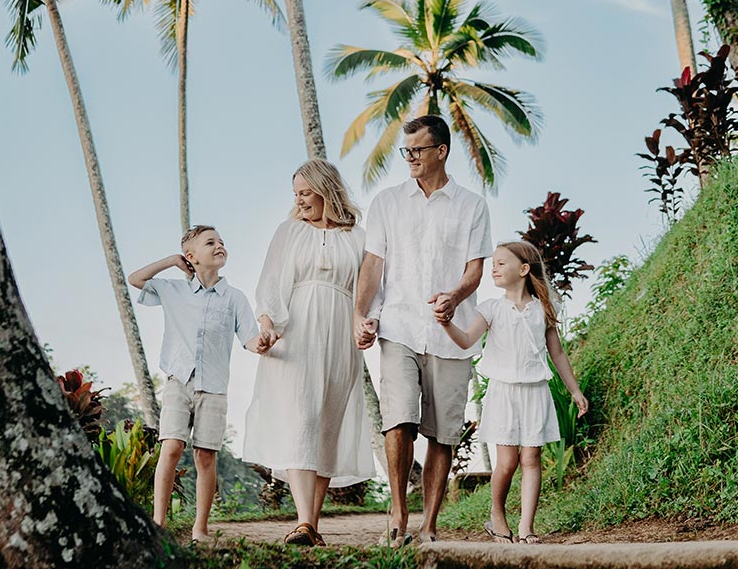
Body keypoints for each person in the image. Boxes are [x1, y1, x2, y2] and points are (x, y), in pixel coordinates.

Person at [354, 114, 491, 546]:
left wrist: (453, 296)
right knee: (399, 420)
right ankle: (398, 514)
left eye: (417, 150)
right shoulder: (387, 202)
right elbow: (373, 265)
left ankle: (430, 525)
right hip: (399, 325)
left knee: (442, 431)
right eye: (406, 151)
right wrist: (362, 314)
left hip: (450, 334)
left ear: (441, 151)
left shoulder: (472, 205)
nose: (410, 157)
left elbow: (474, 271)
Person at [242, 159, 374, 546]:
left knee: (325, 427)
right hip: (295, 333)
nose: (299, 201)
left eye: (304, 192)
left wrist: (366, 322)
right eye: (295, 194)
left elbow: (369, 291)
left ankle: (310, 525)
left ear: (326, 191)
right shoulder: (289, 232)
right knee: (300, 419)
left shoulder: (358, 237)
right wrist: (267, 329)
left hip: (340, 336)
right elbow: (269, 286)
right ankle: (302, 521)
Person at [439, 240, 589, 544]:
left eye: (501, 263)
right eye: (493, 263)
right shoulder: (492, 308)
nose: (493, 267)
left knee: (531, 458)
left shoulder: (544, 310)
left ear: (523, 269)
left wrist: (574, 390)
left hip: (536, 392)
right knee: (506, 463)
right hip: (503, 393)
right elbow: (467, 340)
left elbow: (557, 353)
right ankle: (497, 516)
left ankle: (526, 528)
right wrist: (445, 324)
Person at [128, 225, 258, 541]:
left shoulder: (235, 298)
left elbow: (251, 340)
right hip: (178, 382)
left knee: (205, 456)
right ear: (191, 257)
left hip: (213, 386)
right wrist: (171, 260)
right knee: (171, 447)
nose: (219, 245)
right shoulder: (174, 290)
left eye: (221, 241)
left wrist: (266, 341)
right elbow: (135, 279)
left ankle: (200, 529)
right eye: (210, 242)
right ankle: (159, 524)